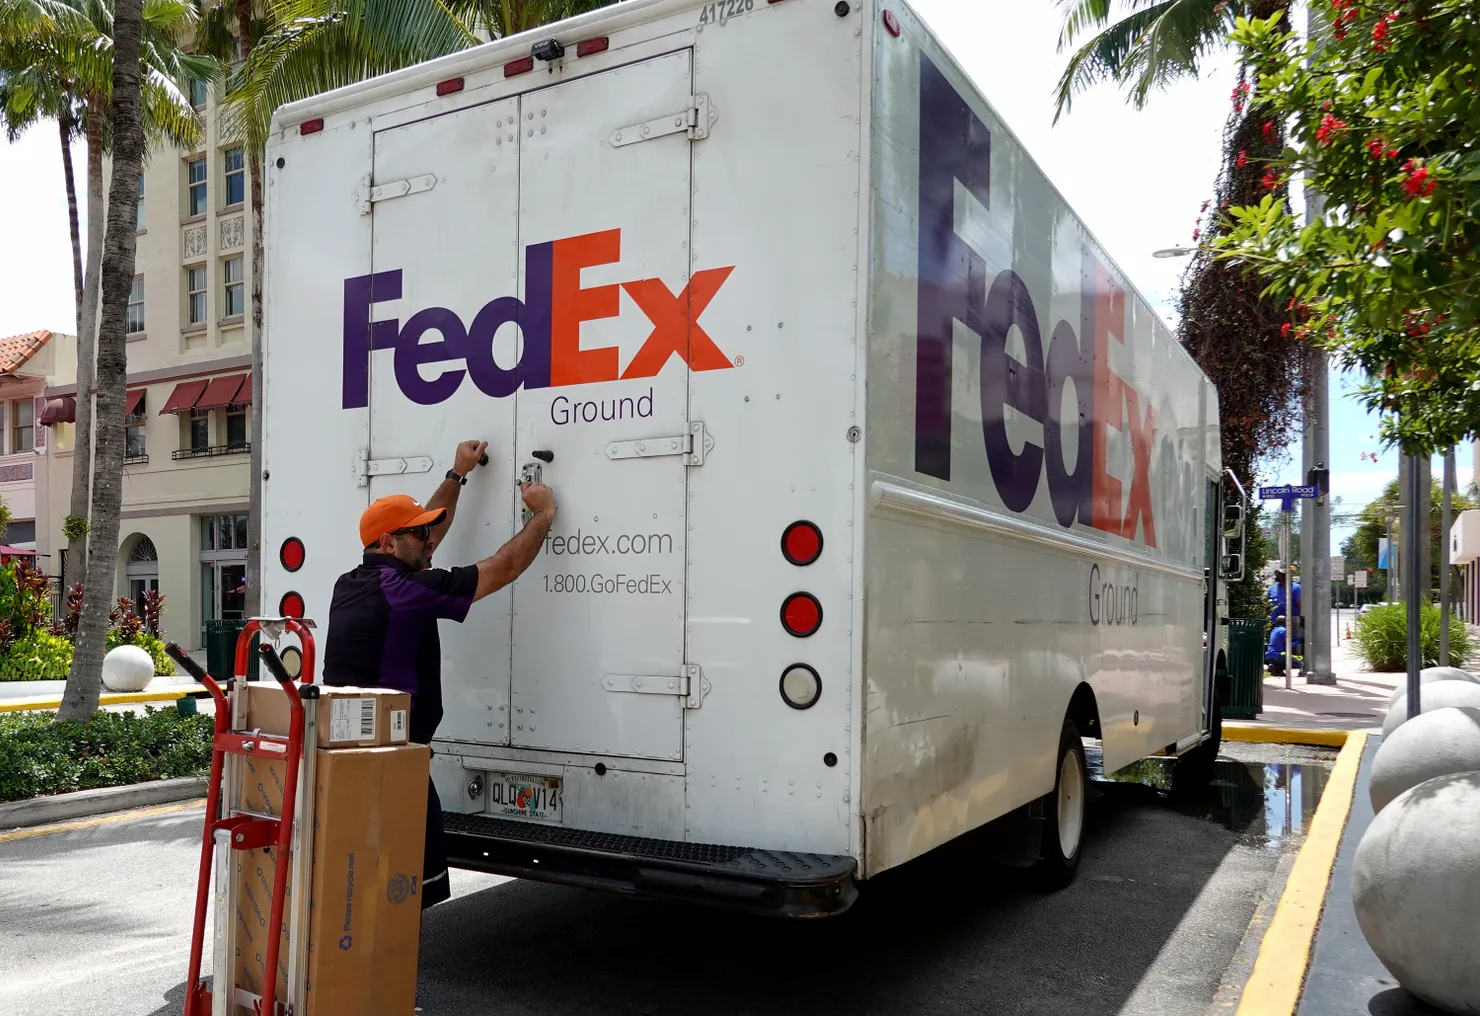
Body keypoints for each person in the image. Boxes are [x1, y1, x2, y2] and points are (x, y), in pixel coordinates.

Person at [322, 439, 556, 909]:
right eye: (418, 536)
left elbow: (428, 538)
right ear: (389, 543)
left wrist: (457, 474)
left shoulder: (354, 581)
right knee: (401, 892)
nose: (430, 540)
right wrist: (543, 516)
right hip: (393, 764)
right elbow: (502, 568)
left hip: (361, 758)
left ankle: (370, 962)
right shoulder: (403, 590)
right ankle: (377, 970)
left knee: (368, 882)